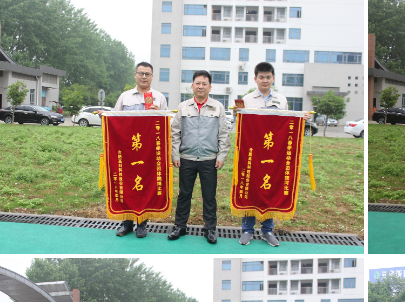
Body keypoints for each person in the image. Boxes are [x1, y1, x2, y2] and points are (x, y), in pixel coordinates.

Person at [239, 62, 309, 247]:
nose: (265, 80)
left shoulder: (281, 100)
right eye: (261, 77)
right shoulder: (247, 100)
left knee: (270, 187)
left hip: (273, 153)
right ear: (255, 79)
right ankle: (247, 230)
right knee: (250, 187)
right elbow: (242, 125)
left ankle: (267, 230)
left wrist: (301, 118)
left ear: (273, 79)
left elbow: (286, 123)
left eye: (268, 77)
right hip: (253, 152)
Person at [168, 70, 230, 245]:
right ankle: (180, 226)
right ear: (192, 86)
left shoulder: (218, 107)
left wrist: (221, 156)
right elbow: (175, 132)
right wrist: (175, 154)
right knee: (184, 194)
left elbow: (223, 134)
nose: (201, 86)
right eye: (197, 83)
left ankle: (210, 228)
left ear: (210, 87)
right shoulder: (183, 107)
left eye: (204, 83)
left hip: (209, 159)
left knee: (209, 196)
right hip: (187, 158)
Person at [111, 62, 169, 239]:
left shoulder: (159, 97)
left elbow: (167, 123)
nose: (144, 77)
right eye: (141, 73)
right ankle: (127, 222)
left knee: (146, 183)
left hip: (148, 151)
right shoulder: (125, 97)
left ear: (152, 77)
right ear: (135, 75)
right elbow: (115, 118)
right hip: (127, 150)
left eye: (147, 74)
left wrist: (158, 113)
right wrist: (104, 116)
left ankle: (142, 223)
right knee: (127, 183)